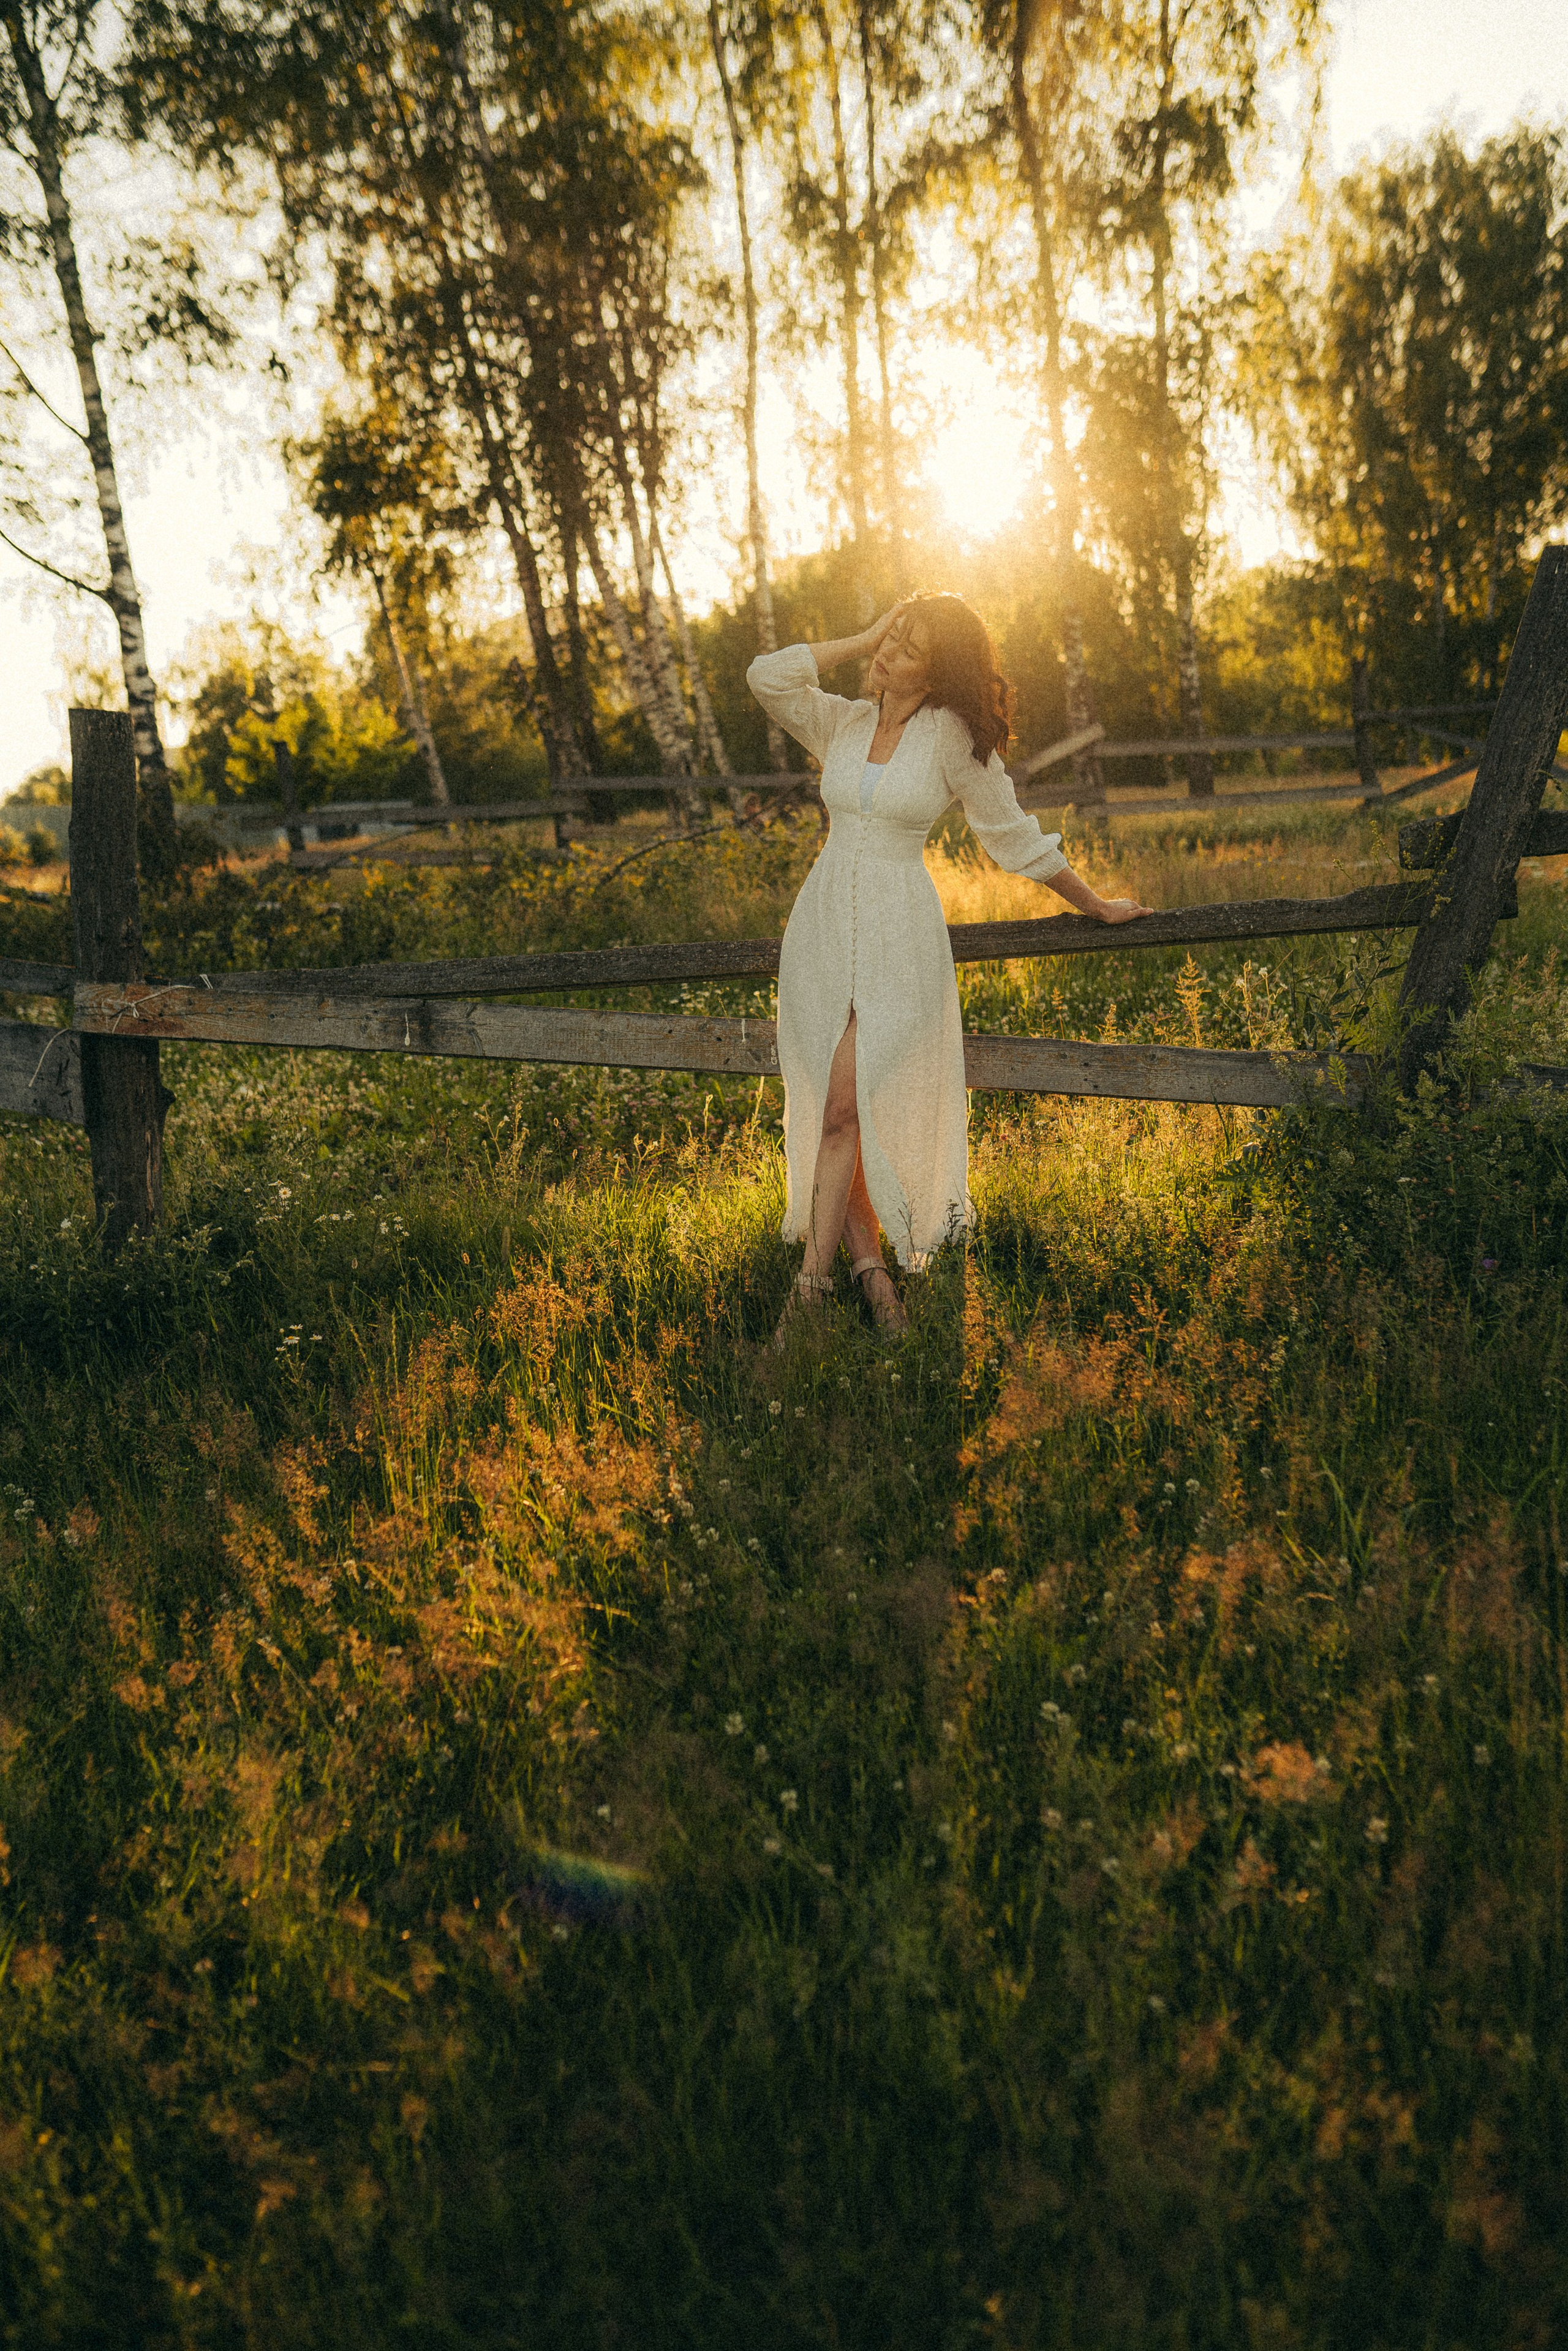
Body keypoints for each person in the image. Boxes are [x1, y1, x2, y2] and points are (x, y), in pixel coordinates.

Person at [747, 592, 1152, 1337]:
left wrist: (1093, 903)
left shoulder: (949, 738)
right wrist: (863, 634)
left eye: (907, 648)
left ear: (937, 674)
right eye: (891, 637)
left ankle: (805, 1300)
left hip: (900, 940)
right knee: (839, 1110)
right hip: (821, 931)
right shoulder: (843, 722)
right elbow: (764, 676)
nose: (888, 653)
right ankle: (871, 1278)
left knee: (845, 1107)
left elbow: (1012, 834)